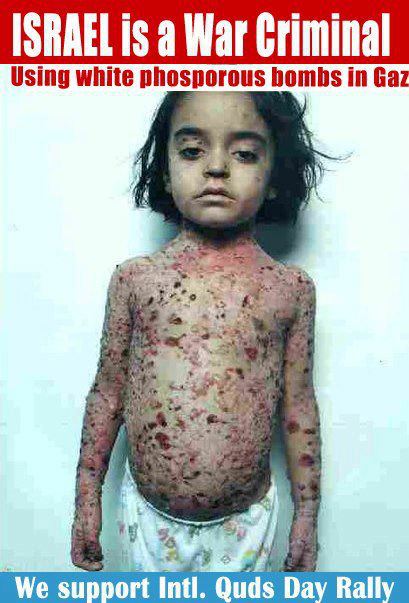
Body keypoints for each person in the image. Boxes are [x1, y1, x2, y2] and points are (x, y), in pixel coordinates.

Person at [71, 91, 322, 572]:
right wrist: (86, 502)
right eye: (192, 151)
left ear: (275, 176)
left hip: (246, 525)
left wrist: (307, 516)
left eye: (244, 154)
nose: (217, 168)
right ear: (166, 171)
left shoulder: (288, 290)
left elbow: (299, 408)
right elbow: (107, 395)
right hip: (149, 520)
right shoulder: (136, 281)